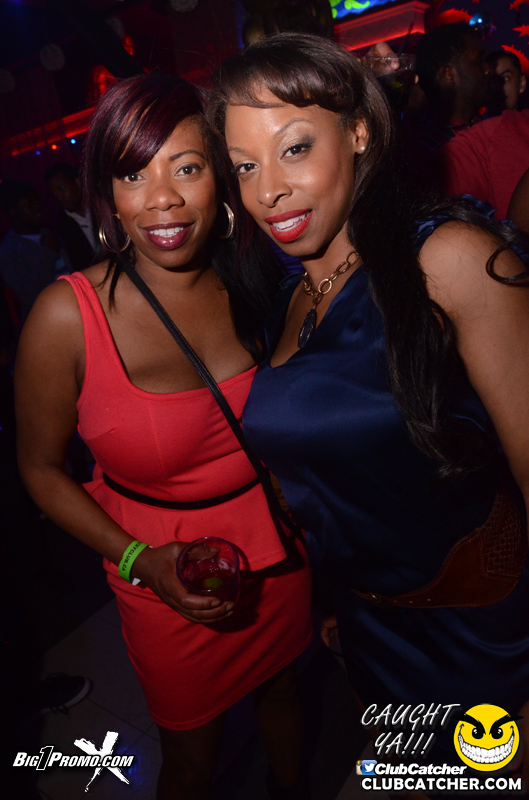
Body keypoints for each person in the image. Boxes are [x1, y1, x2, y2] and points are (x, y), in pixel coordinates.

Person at [208, 32, 529, 773]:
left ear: (358, 132)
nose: (267, 192)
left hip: (480, 635)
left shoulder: (445, 259)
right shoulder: (287, 296)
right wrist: (336, 606)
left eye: (294, 149)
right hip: (371, 632)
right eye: (245, 166)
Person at [15, 73, 312, 800]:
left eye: (186, 167)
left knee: (286, 696)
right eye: (132, 174)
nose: (162, 200)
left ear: (221, 178)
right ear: (108, 196)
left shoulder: (261, 282)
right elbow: (41, 470)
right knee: (189, 758)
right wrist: (139, 560)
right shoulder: (66, 317)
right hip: (159, 571)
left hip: (281, 547)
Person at [0, 180, 64, 321]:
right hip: (49, 321)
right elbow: (29, 295)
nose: (37, 208)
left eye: (37, 202)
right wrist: (48, 253)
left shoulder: (52, 232)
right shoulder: (8, 251)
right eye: (29, 205)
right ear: (13, 212)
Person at [44, 162, 95, 271]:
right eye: (55, 194)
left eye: (62, 189)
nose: (59, 197)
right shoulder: (60, 229)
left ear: (77, 183)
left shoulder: (102, 208)